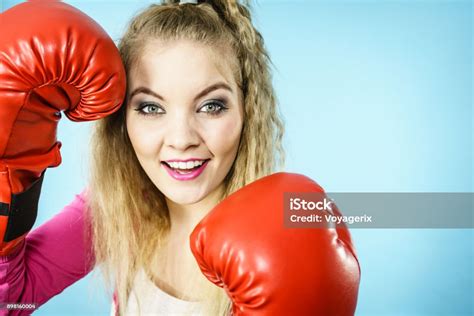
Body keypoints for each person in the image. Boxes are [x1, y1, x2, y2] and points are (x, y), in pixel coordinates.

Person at [0, 0, 360, 315]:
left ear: (246, 110)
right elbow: (11, 301)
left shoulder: (280, 243)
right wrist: (11, 167)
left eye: (211, 106)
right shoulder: (119, 209)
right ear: (122, 120)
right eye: (151, 107)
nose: (181, 139)